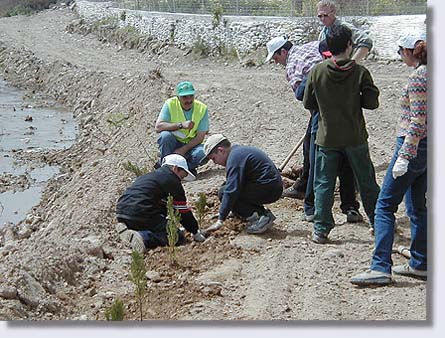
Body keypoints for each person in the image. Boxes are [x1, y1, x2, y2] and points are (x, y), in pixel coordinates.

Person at [351, 31, 427, 286]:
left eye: (399, 51)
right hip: (428, 147)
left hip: (411, 145)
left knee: (384, 207)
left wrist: (405, 155)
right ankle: (420, 263)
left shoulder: (419, 77)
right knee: (416, 208)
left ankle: (380, 266)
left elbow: (418, 119)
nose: (399, 55)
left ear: (409, 51)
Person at [265, 36, 363, 223]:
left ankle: (311, 206)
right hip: (345, 113)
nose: (276, 62)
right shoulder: (313, 47)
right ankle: (350, 205)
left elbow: (302, 96)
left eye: (275, 58)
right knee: (342, 158)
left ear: (283, 52)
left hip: (322, 113)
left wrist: (315, 83)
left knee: (317, 157)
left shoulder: (292, 66)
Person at [302, 25, 380, 244]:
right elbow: (372, 103)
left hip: (327, 138)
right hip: (355, 137)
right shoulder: (360, 72)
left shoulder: (317, 71)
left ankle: (321, 228)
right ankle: (378, 222)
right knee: (366, 181)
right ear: (349, 45)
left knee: (324, 183)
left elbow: (308, 102)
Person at [115, 154, 206, 253]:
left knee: (157, 221)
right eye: (181, 176)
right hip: (141, 210)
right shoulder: (171, 179)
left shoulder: (151, 177)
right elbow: (182, 211)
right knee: (176, 237)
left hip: (122, 209)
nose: (180, 180)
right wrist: (195, 231)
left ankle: (130, 228)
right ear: (175, 168)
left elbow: (161, 205)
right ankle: (144, 237)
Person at [201, 134, 283, 235]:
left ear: (221, 150)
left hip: (270, 189)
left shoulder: (235, 159)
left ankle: (260, 218)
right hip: (269, 185)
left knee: (225, 192)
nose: (215, 163)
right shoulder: (236, 152)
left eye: (213, 158)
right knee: (225, 187)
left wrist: (220, 220)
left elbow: (231, 191)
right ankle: (257, 212)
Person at [155, 81, 209, 175]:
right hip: (173, 143)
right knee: (165, 136)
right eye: (184, 97)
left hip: (191, 145)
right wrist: (180, 125)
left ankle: (185, 170)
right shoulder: (170, 104)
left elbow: (200, 137)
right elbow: (159, 127)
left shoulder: (202, 108)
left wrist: (183, 149)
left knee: (203, 152)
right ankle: (167, 168)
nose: (188, 100)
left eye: (191, 96)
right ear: (178, 97)